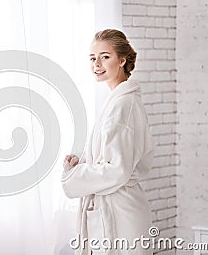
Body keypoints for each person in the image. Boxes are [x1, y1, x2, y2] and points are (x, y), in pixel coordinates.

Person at [61, 29, 155, 254]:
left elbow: (117, 170)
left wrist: (73, 176)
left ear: (122, 60)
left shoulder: (123, 105)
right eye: (93, 58)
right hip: (118, 207)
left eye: (105, 56)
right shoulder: (117, 101)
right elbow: (114, 157)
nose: (97, 64)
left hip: (121, 213)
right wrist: (82, 161)